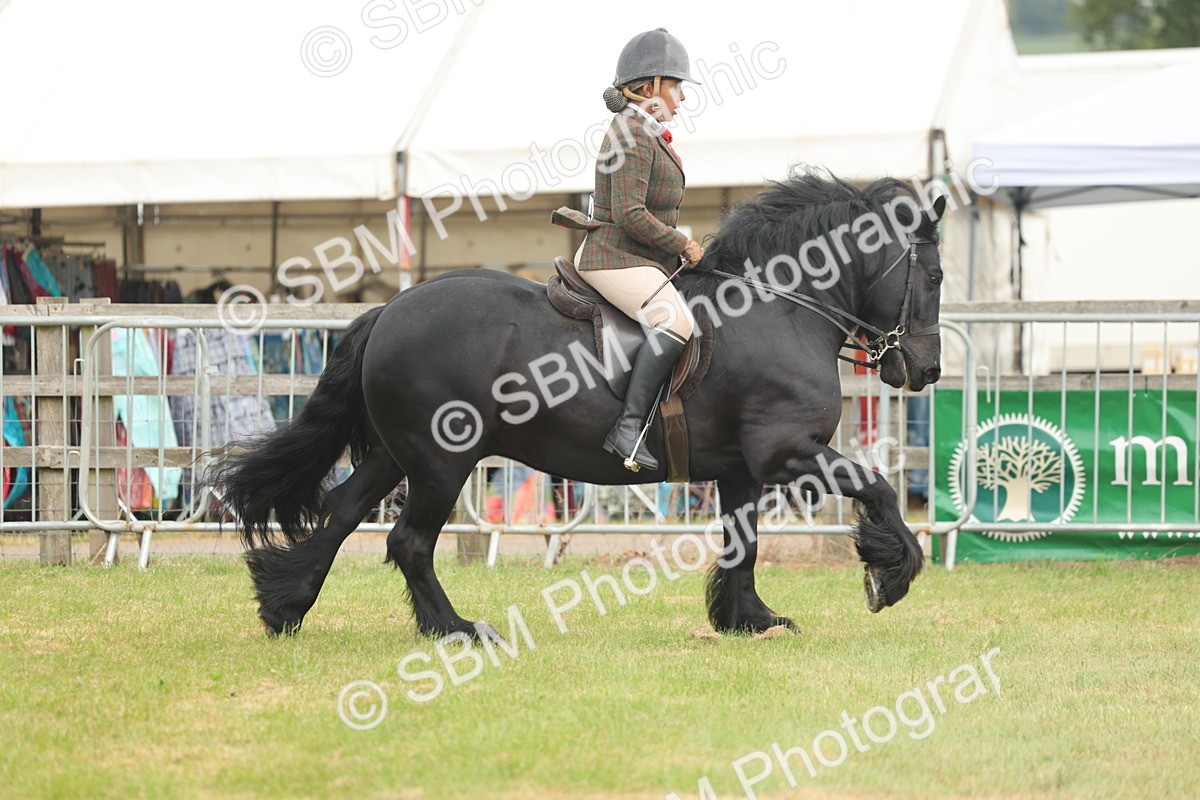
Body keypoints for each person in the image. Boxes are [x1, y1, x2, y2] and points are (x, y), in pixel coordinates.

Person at [553, 28, 704, 472]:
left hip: (636, 257)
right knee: (674, 321)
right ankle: (628, 428)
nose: (681, 97)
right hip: (613, 256)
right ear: (651, 87)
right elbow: (631, 215)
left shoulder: (645, 132)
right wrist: (683, 244)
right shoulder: (631, 133)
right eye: (676, 86)